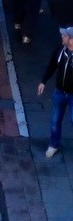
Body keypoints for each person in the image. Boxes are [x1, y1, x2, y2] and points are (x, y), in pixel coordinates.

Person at [38, 26, 73, 157]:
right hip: (59, 92)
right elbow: (52, 65)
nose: (61, 37)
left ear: (70, 39)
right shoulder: (60, 51)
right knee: (55, 120)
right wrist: (43, 81)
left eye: (64, 36)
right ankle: (53, 145)